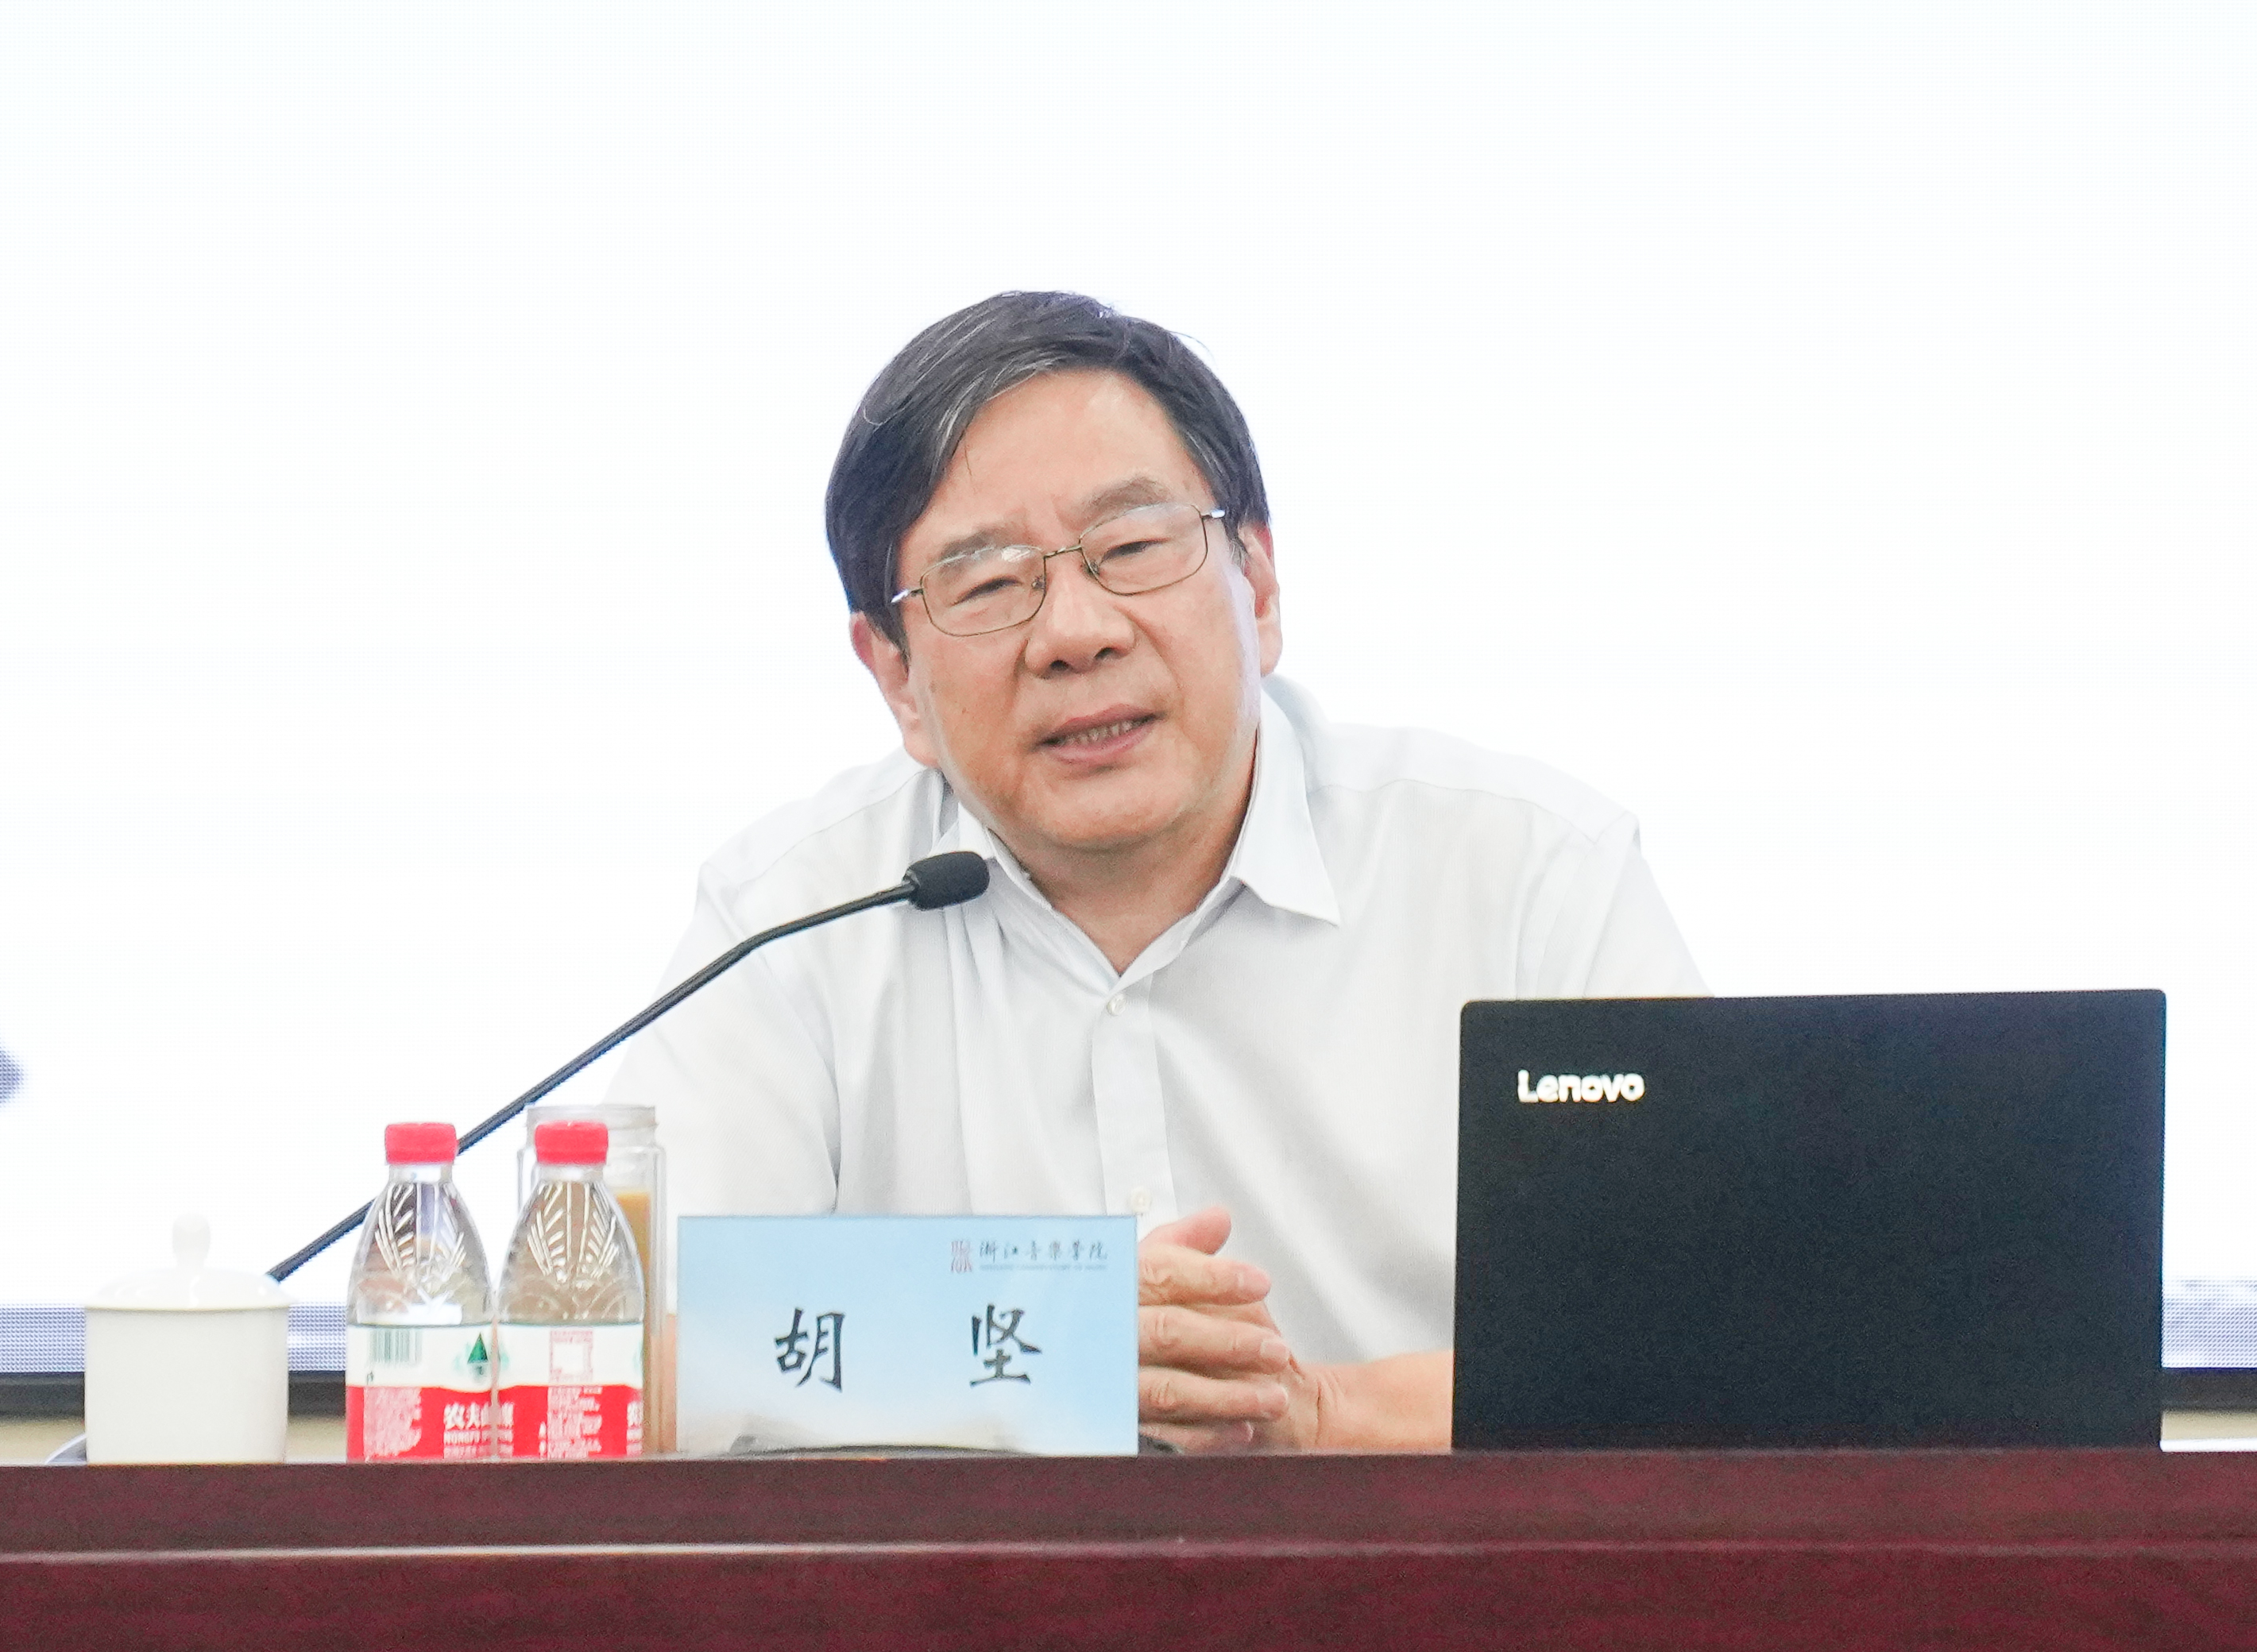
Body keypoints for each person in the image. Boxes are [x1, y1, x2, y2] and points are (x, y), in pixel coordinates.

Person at [609, 291, 1705, 1449]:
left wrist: (1317, 1414)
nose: (1076, 632)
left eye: (1132, 549)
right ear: (894, 676)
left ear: (1260, 590)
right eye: (988, 586)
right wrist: (1036, 1349)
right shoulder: (790, 924)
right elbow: (627, 1363)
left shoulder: (1528, 875)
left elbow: (1703, 1342)